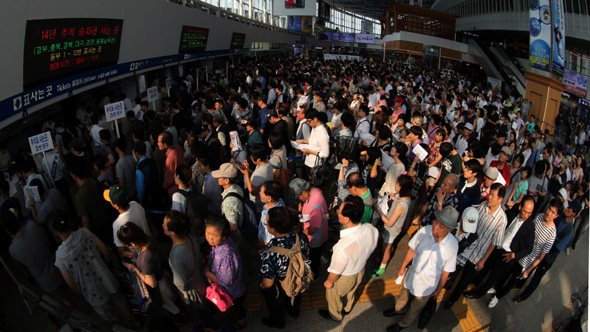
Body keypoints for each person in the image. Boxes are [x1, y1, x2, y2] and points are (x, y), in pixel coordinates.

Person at [383, 206, 459, 332]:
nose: (436, 227)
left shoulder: (452, 245)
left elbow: (446, 271)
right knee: (403, 295)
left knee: (416, 307)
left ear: (450, 230)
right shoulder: (424, 231)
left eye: (441, 226)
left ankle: (403, 324)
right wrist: (402, 267)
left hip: (428, 285)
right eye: (436, 222)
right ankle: (398, 310)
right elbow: (412, 250)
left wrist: (439, 289)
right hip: (412, 274)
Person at [52, 210, 134, 323]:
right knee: (122, 303)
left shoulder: (61, 257)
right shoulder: (84, 232)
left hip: (93, 293)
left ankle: (126, 328)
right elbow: (104, 250)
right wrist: (104, 266)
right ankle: (135, 322)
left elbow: (72, 286)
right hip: (106, 277)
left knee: (111, 316)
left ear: (55, 231)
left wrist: (83, 293)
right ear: (70, 223)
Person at [443, 183, 507, 309]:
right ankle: (447, 283)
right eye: (490, 194)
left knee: (464, 281)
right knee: (453, 269)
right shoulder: (483, 206)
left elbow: (495, 243)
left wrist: (483, 260)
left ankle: (452, 300)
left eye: (493, 196)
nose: (489, 197)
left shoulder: (502, 220)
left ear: (500, 199)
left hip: (478, 255)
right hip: (466, 247)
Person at [487, 199, 559, 308]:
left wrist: (528, 270)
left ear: (556, 216)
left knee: (511, 281)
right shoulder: (539, 216)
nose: (548, 213)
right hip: (518, 252)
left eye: (553, 212)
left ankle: (497, 297)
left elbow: (541, 257)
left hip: (526, 262)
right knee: (506, 273)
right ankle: (496, 287)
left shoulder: (552, 234)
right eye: (549, 208)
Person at [318, 196, 378, 322]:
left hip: (344, 277)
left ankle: (335, 315)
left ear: (347, 219)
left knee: (334, 296)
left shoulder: (341, 247)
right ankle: (348, 307)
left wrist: (329, 282)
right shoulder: (371, 229)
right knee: (352, 291)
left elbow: (335, 271)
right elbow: (373, 246)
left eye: (339, 210)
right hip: (360, 269)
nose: (337, 211)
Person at [463, 195, 535, 300]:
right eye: (525, 211)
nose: (526, 215)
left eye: (529, 213)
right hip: (497, 244)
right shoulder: (514, 210)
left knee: (493, 277)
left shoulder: (530, 227)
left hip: (508, 254)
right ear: (520, 207)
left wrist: (515, 255)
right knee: (486, 266)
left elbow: (529, 248)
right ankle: (475, 281)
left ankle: (478, 293)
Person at [512, 199, 580, 304]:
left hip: (548, 257)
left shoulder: (569, 231)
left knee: (537, 277)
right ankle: (519, 284)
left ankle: (523, 297)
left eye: (570, 208)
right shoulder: (560, 216)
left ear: (574, 213)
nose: (568, 208)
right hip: (541, 249)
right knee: (529, 267)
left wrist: (544, 247)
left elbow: (557, 248)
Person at [259, 206, 309, 328]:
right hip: (297, 275)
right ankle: (294, 312)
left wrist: (262, 286)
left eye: (267, 223)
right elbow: (306, 253)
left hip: (280, 284)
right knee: (295, 296)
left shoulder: (271, 251)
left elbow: (268, 283)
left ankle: (278, 322)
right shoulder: (300, 236)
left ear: (274, 228)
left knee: (275, 302)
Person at [116, 222, 180, 316]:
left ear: (132, 243)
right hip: (166, 275)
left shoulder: (145, 260)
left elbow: (152, 283)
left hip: (162, 287)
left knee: (175, 309)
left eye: (128, 246)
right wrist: (137, 256)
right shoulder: (150, 239)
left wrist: (135, 269)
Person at [1, 210, 65, 295]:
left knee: (64, 300)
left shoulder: (13, 249)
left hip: (46, 282)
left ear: (7, 230)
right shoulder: (31, 225)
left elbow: (22, 264)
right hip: (58, 267)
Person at [202, 215, 247, 329]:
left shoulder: (225, 254)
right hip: (235, 288)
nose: (210, 238)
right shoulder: (223, 243)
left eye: (214, 235)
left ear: (223, 236)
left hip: (232, 292)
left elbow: (226, 280)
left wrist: (207, 273)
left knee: (237, 308)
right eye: (207, 233)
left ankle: (240, 323)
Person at [164, 210, 208, 310]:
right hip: (201, 281)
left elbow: (180, 282)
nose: (162, 225)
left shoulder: (176, 256)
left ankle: (209, 324)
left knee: (202, 310)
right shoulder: (190, 238)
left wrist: (182, 295)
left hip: (194, 290)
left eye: (164, 224)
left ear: (172, 232)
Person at [372, 174, 413, 277]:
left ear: (402, 187)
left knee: (386, 248)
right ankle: (383, 259)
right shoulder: (404, 197)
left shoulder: (400, 206)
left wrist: (379, 211)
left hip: (391, 230)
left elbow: (390, 222)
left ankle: (382, 267)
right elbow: (398, 199)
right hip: (394, 230)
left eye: (397, 184)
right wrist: (392, 197)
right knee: (387, 245)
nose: (395, 185)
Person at [289, 178, 328, 279]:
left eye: (299, 197)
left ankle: (315, 276)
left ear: (304, 192)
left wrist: (299, 235)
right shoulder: (312, 193)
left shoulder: (316, 205)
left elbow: (313, 228)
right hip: (308, 229)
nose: (299, 200)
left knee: (314, 258)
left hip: (314, 239)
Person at [104, 185, 151, 256]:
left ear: (116, 205)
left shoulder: (117, 224)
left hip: (138, 256)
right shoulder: (135, 204)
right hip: (150, 244)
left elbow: (121, 249)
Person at [212, 163, 243, 238]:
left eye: (220, 177)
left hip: (235, 238)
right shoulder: (237, 188)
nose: (217, 178)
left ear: (226, 181)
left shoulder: (228, 202)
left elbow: (233, 227)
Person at [238, 144, 273, 211]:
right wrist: (248, 169)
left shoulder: (259, 173)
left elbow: (252, 191)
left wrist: (246, 175)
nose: (250, 159)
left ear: (258, 159)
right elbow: (256, 173)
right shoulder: (267, 163)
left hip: (258, 205)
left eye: (251, 157)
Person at [297, 109, 330, 177]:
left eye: (309, 121)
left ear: (315, 119)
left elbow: (325, 154)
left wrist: (310, 151)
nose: (308, 123)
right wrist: (302, 141)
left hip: (315, 165)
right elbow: (312, 140)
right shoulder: (314, 128)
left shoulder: (323, 133)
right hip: (308, 162)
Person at [257, 180, 285, 248]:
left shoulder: (271, 217)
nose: (259, 193)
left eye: (262, 192)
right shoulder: (279, 201)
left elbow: (267, 241)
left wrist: (256, 247)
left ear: (269, 198)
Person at [158, 131, 187, 197]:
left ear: (165, 145)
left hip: (175, 188)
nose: (158, 144)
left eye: (159, 142)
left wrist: (164, 186)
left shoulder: (171, 158)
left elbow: (169, 178)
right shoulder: (178, 148)